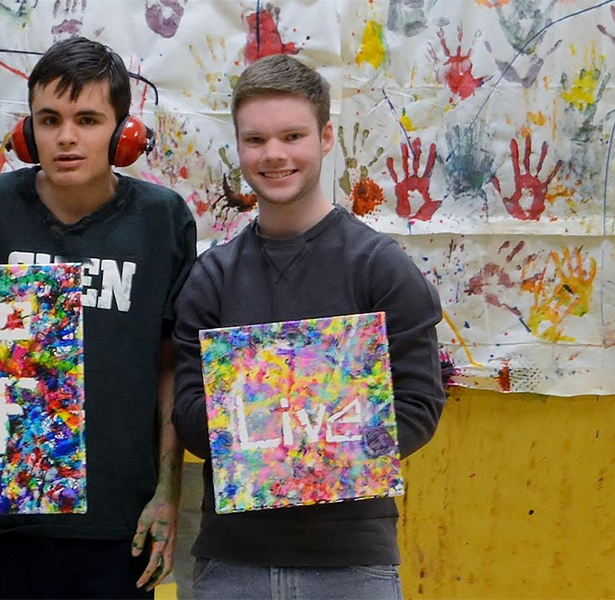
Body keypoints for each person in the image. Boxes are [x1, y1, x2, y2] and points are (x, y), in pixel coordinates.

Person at [171, 54, 446, 599]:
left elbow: (418, 404)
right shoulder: (212, 277)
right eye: (255, 140)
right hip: (232, 560)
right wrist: (294, 431)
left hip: (353, 563)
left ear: (325, 138)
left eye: (292, 135)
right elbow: (188, 411)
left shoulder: (378, 266)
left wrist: (312, 445)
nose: (273, 155)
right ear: (239, 146)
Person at [0, 36, 197, 599]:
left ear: (123, 133)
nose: (66, 136)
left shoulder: (163, 219)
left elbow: (170, 364)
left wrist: (167, 493)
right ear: (28, 133)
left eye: (87, 119)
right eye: (49, 119)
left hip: (115, 524)